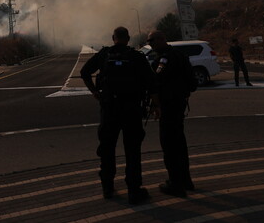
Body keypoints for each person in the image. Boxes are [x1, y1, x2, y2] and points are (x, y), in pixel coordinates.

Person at [81, 26, 158, 204]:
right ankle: (134, 190)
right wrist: (156, 105)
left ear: (113, 37)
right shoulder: (136, 56)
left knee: (107, 149)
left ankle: (107, 188)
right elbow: (151, 82)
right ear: (128, 38)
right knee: (133, 151)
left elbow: (85, 73)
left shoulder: (104, 54)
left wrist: (94, 91)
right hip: (131, 109)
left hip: (109, 109)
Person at [147, 30, 195, 197]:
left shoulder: (165, 59)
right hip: (180, 104)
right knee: (180, 144)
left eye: (152, 40)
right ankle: (186, 180)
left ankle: (175, 184)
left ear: (162, 39)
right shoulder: (180, 55)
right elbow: (192, 82)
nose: (151, 44)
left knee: (169, 145)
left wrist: (155, 103)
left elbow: (157, 81)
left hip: (169, 107)